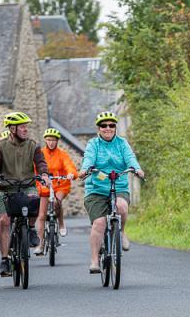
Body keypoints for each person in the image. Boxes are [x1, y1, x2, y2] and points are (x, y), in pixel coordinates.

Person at [79, 111, 144, 274]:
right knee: (99, 223)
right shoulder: (93, 144)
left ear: (115, 127)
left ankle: (121, 234)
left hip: (119, 186)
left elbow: (130, 158)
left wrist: (137, 169)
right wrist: (85, 169)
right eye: (104, 126)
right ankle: (94, 260)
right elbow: (88, 159)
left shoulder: (122, 143)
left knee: (121, 206)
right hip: (96, 189)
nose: (108, 128)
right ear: (98, 129)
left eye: (111, 125)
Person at [0, 112, 50, 276]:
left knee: (35, 198)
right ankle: (5, 260)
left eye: (26, 126)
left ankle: (31, 228)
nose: (26, 129)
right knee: (4, 221)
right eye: (22, 126)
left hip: (27, 186)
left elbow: (41, 163)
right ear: (12, 128)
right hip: (6, 188)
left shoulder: (32, 145)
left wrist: (43, 175)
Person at [33, 128, 78, 256]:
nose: (51, 142)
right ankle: (40, 244)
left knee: (57, 202)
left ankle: (61, 224)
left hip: (60, 185)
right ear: (45, 140)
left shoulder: (62, 154)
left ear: (57, 141)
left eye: (53, 140)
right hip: (45, 186)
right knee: (41, 216)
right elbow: (34, 169)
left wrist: (70, 174)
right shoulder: (40, 153)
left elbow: (69, 166)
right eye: (49, 140)